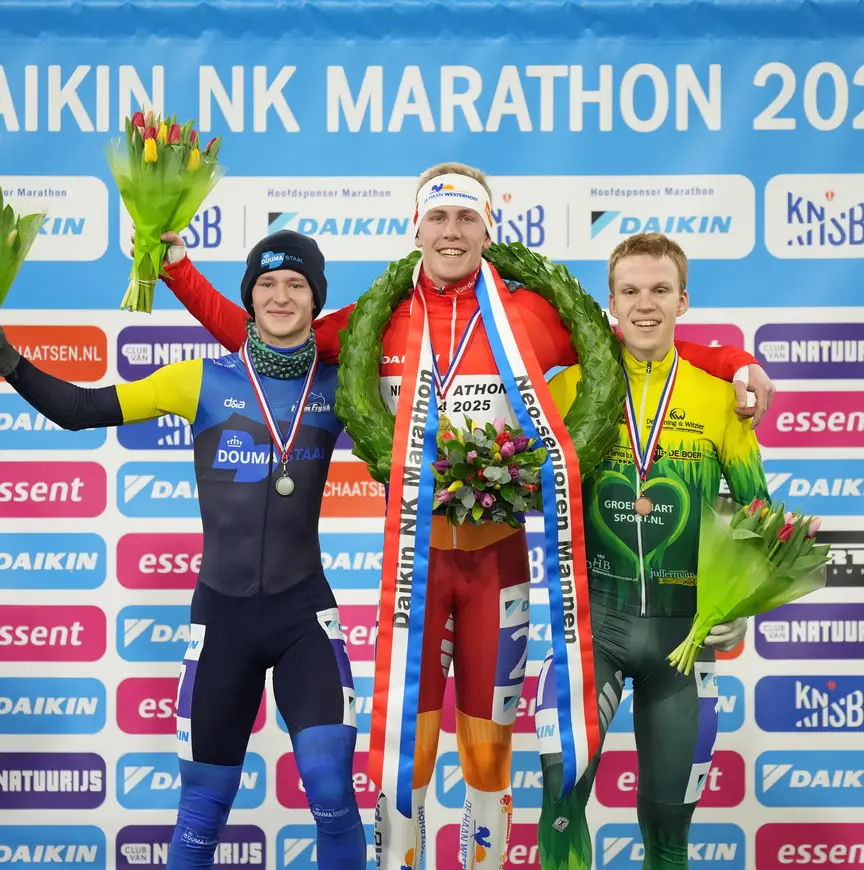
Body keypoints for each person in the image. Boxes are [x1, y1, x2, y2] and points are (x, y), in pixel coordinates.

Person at [148, 164, 776, 870]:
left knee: (487, 761)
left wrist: (730, 361)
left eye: (467, 218)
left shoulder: (533, 317)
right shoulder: (374, 321)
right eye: (439, 218)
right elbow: (267, 335)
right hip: (416, 568)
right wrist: (179, 272)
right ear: (416, 228)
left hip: (495, 568)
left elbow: (633, 344)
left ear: (487, 231)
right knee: (403, 761)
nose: (452, 231)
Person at [0, 230, 366, 870]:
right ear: (248, 298)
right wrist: (8, 360)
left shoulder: (342, 388)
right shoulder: (199, 379)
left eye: (297, 285)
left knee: (333, 790)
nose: (281, 296)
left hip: (304, 616)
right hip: (222, 619)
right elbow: (82, 409)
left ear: (317, 303)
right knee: (202, 810)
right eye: (266, 284)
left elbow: (422, 439)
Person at [538, 232, 770, 870]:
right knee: (559, 801)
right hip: (591, 636)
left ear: (683, 300)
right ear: (609, 302)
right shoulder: (568, 390)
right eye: (631, 291)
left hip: (683, 638)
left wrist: (742, 602)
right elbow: (521, 491)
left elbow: (758, 513)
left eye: (660, 290)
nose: (646, 305)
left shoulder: (721, 397)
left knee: (669, 833)